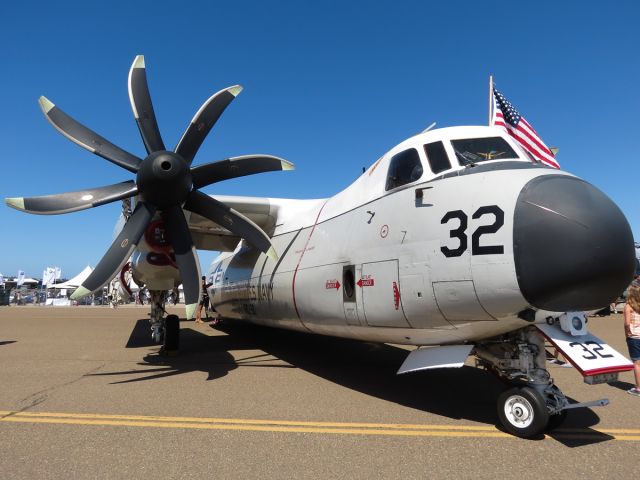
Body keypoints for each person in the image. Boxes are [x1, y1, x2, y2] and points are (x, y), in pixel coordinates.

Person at [623, 282, 640, 396]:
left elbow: (627, 323)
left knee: (637, 363)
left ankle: (638, 388)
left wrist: (627, 334)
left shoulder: (628, 307)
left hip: (634, 337)